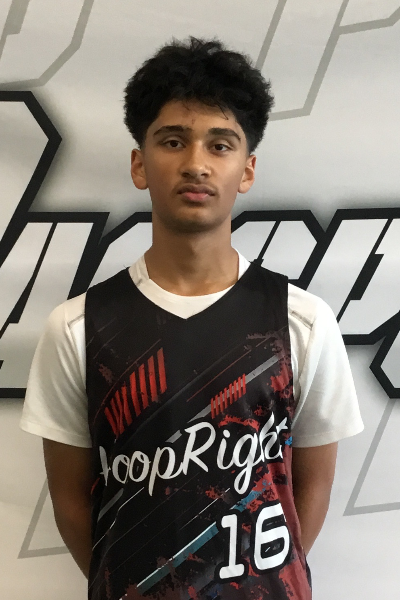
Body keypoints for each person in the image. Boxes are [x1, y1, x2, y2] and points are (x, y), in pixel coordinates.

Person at [20, 36, 364, 600]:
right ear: (140, 164)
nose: (196, 164)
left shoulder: (300, 321)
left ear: (246, 170)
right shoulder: (78, 327)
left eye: (220, 144)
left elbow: (312, 490)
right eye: (173, 141)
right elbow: (70, 502)